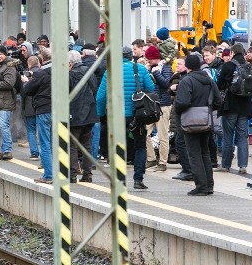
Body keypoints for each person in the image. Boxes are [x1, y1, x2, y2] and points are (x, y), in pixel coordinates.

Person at [96, 46, 155, 190]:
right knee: (140, 146)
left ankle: (119, 179)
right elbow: (151, 88)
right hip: (137, 115)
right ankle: (138, 179)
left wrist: (101, 114)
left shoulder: (109, 72)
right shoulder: (140, 69)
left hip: (116, 116)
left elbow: (101, 97)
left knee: (117, 146)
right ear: (131, 56)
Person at [174, 53, 221, 195]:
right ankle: (209, 185)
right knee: (205, 152)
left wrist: (177, 108)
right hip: (206, 120)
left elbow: (183, 102)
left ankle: (201, 186)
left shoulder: (187, 81)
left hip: (190, 122)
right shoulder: (209, 80)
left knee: (194, 154)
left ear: (187, 66)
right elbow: (218, 100)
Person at [216, 42, 251, 174]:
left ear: (232, 53)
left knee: (228, 136)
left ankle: (226, 164)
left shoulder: (228, 66)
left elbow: (219, 84)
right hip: (245, 106)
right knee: (243, 136)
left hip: (230, 105)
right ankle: (243, 166)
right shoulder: (249, 66)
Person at [21, 48, 52, 182]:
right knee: (55, 143)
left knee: (45, 143)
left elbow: (28, 90)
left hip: (44, 109)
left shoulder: (41, 73)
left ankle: (49, 175)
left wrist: (26, 81)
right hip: (59, 110)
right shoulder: (62, 71)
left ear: (41, 59)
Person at [68, 50, 98, 183]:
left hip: (74, 113)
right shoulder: (90, 72)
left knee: (72, 145)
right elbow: (95, 89)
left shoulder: (69, 75)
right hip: (90, 112)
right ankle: (88, 174)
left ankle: (72, 174)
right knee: (87, 144)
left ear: (70, 63)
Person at [143, 45, 173, 172]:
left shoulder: (165, 68)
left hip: (163, 105)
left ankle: (162, 162)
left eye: (149, 59)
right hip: (151, 104)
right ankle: (151, 158)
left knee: (162, 135)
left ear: (155, 58)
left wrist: (155, 72)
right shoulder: (149, 68)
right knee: (145, 133)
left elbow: (166, 83)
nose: (148, 61)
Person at [169, 57, 194, 181]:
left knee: (180, 142)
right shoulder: (181, 77)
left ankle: (188, 169)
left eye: (180, 64)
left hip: (184, 116)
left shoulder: (185, 79)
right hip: (189, 116)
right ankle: (188, 169)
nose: (177, 66)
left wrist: (177, 88)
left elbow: (184, 100)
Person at [18, 54, 41, 160]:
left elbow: (23, 93)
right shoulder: (43, 74)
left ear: (28, 65)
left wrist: (24, 82)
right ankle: (43, 152)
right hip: (41, 107)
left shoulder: (26, 77)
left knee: (31, 130)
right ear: (39, 63)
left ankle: (34, 153)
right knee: (42, 131)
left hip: (29, 107)